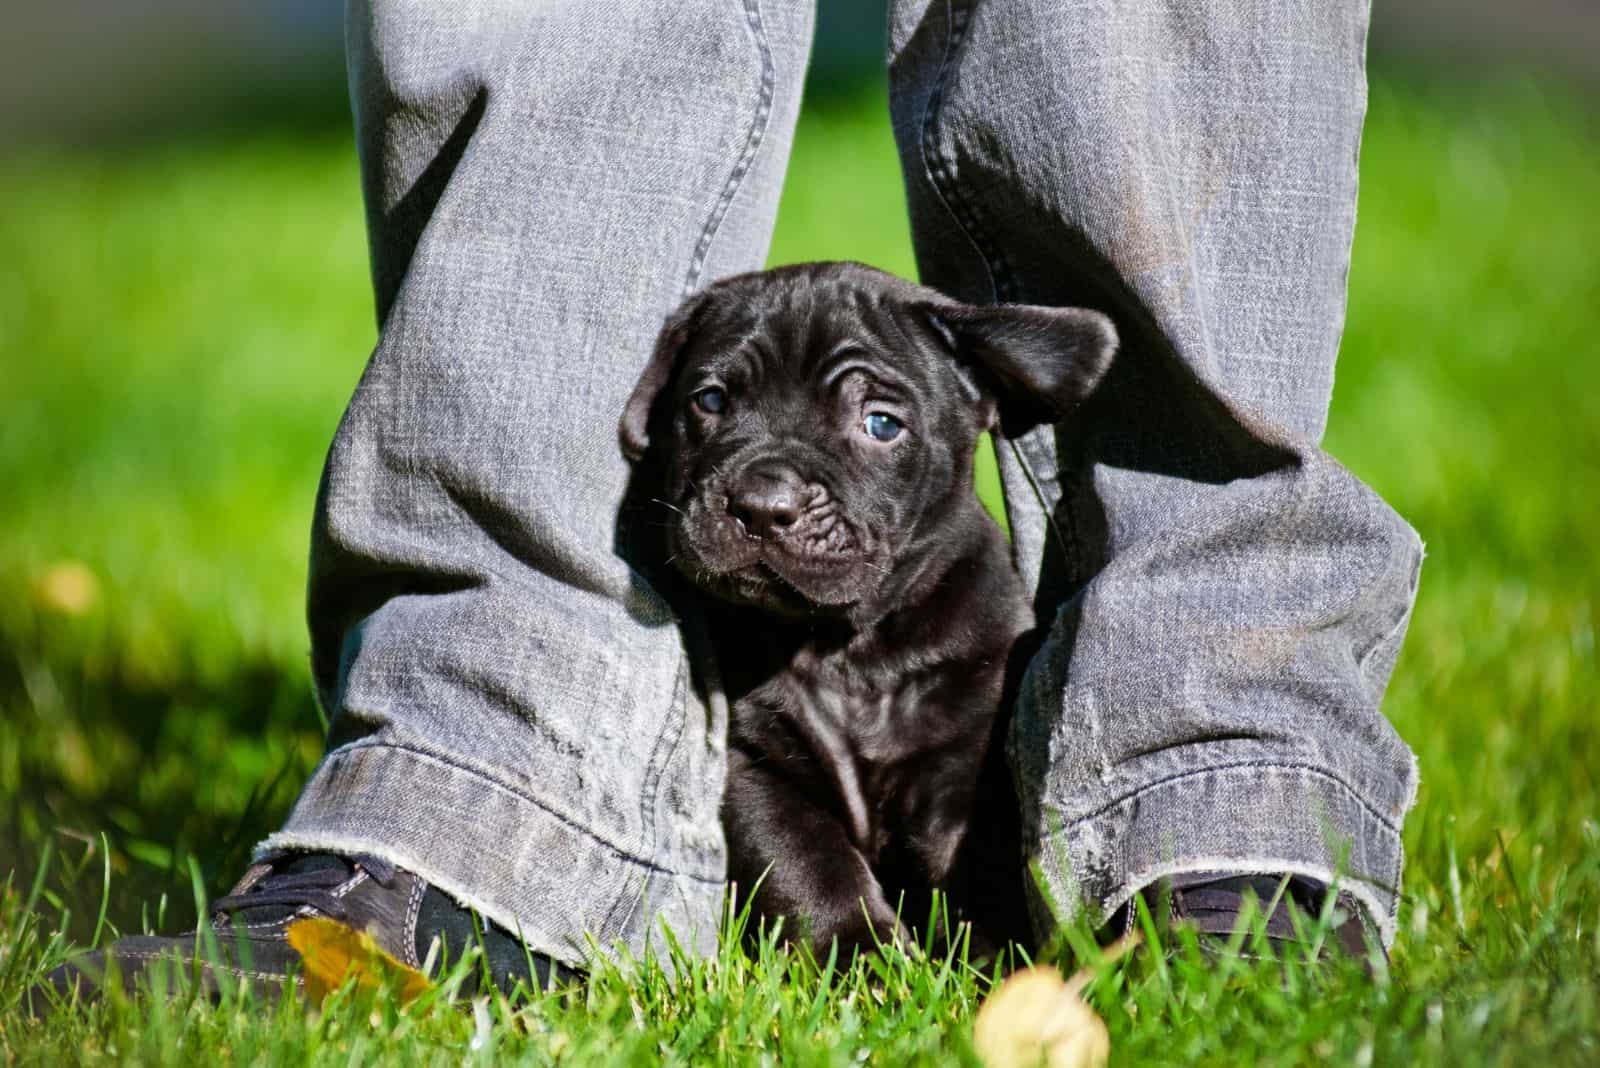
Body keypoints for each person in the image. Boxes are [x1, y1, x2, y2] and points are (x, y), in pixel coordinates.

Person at [45, 0, 1420, 1001]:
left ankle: (1219, 794)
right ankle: (485, 781)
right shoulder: (728, 609)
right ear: (652, 406)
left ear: (980, 406)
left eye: (873, 419)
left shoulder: (968, 601)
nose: (767, 483)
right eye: (716, 411)